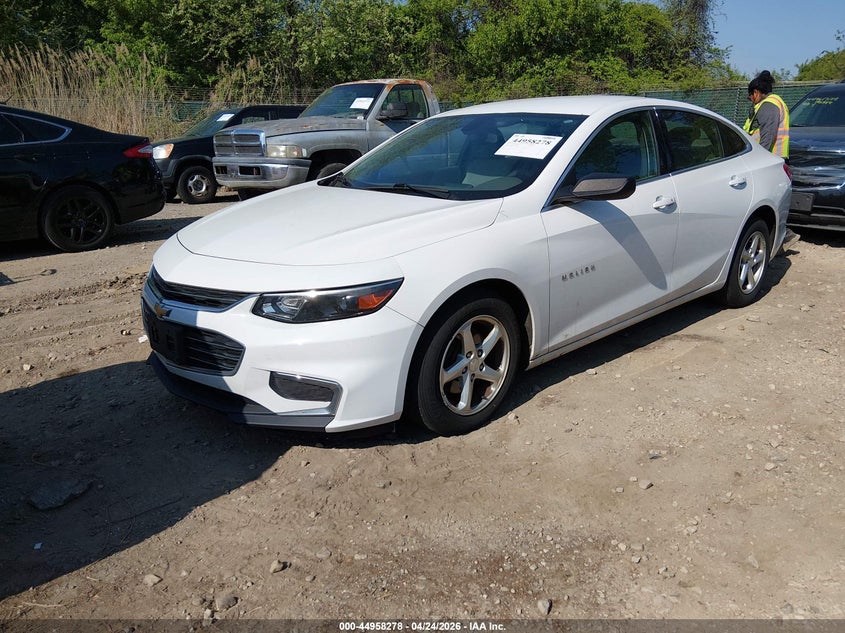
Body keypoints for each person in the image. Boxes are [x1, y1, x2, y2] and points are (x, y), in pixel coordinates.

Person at [743, 70, 799, 251]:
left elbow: (766, 137)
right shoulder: (774, 103)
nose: (751, 100)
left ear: (756, 93)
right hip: (775, 160)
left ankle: (783, 237)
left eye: (750, 96)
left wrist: (757, 159)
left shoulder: (768, 106)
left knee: (766, 202)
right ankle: (781, 239)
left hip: (770, 161)